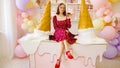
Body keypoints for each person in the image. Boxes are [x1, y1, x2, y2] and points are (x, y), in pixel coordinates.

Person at [52, 3, 77, 68]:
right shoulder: (55, 17)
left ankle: (58, 60)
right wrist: (63, 30)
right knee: (63, 33)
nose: (62, 9)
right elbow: (55, 27)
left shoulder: (66, 16)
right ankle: (67, 51)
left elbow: (69, 26)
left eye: (63, 8)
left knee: (62, 45)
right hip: (58, 32)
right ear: (58, 8)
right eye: (61, 7)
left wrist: (68, 18)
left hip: (65, 33)